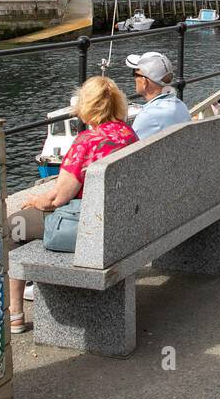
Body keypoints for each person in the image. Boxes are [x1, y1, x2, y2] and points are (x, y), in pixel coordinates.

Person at [8, 75, 137, 332]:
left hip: (91, 227)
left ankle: (15, 313)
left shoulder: (85, 143)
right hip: (123, 221)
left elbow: (57, 198)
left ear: (86, 106)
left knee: (13, 225)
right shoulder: (128, 133)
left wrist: (34, 200)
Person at [126, 51, 192, 138]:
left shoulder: (147, 116)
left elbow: (132, 149)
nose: (134, 78)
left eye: (135, 74)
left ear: (144, 82)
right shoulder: (180, 105)